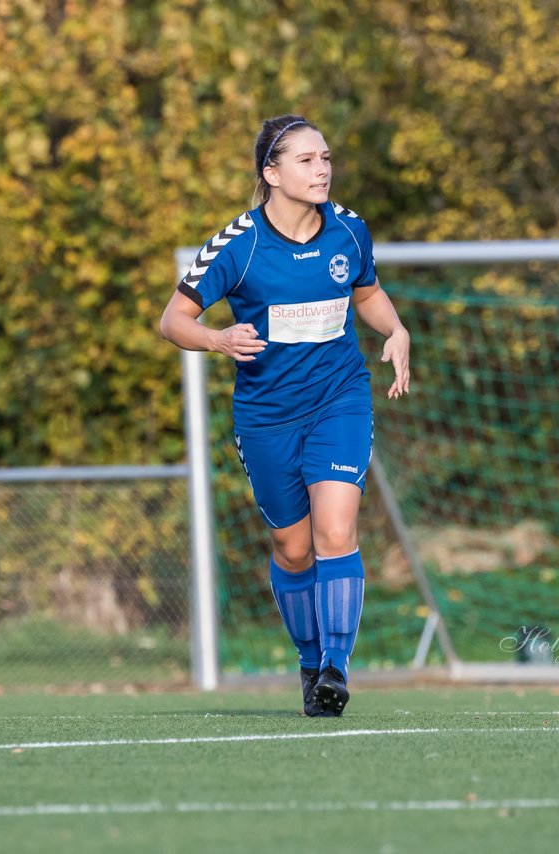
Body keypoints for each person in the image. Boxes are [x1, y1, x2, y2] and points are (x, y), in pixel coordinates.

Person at [160, 115, 411, 716]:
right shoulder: (236, 245)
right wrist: (218, 341)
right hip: (266, 416)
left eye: (325, 157)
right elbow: (173, 321)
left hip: (339, 399)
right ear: (271, 173)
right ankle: (309, 659)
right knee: (293, 548)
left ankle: (336, 670)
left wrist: (396, 328)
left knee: (335, 532)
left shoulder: (349, 231)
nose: (321, 168)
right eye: (305, 160)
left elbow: (367, 292)